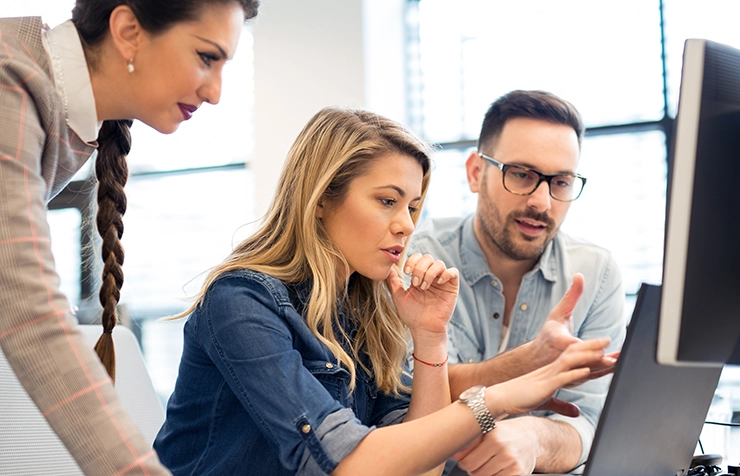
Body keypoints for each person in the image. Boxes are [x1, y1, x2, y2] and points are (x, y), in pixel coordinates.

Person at [153, 106, 613, 475]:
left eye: (413, 206)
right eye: (388, 201)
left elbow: (422, 467)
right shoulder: (240, 302)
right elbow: (352, 465)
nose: (407, 224)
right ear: (321, 200)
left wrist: (429, 337)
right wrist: (494, 399)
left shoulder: (361, 311)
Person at [0, 1, 259, 474]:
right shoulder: (8, 80)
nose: (217, 92)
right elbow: (26, 311)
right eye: (207, 57)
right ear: (127, 30)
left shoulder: (66, 114)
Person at [406, 90, 626, 475]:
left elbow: (593, 421)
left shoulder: (598, 273)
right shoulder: (418, 261)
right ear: (476, 173)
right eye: (522, 174)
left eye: (561, 182)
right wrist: (531, 361)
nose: (542, 202)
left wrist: (535, 438)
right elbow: (415, 394)